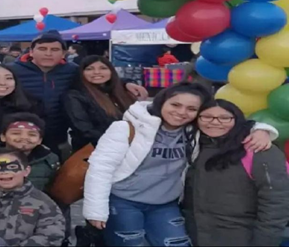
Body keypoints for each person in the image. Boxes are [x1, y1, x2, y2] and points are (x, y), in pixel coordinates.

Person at [83, 82, 278, 247]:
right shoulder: (127, 128)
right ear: (161, 101)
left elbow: (231, 123)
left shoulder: (195, 132)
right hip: (124, 201)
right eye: (175, 104)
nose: (181, 112)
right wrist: (96, 210)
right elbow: (100, 168)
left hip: (165, 204)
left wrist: (261, 130)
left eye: (191, 109)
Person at [10, 30, 148, 155]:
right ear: (31, 51)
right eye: (42, 49)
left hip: (57, 136)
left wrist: (126, 83)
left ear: (63, 53)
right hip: (20, 135)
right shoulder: (12, 70)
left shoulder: (71, 70)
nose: (48, 53)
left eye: (54, 49)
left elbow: (97, 77)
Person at [183, 99, 289, 246]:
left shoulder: (257, 148)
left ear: (237, 119)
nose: (215, 122)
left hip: (242, 236)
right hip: (197, 235)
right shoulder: (193, 146)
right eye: (206, 116)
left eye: (225, 118)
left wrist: (264, 242)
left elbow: (276, 202)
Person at [0, 113, 59, 193]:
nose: (24, 138)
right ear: (3, 137)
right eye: (16, 133)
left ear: (40, 140)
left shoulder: (50, 160)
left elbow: (55, 193)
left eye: (32, 134)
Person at [63, 55, 137, 151]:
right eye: (89, 69)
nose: (97, 72)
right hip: (97, 151)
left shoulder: (121, 93)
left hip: (130, 149)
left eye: (103, 68)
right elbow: (84, 130)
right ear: (82, 73)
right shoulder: (74, 96)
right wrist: (118, 142)